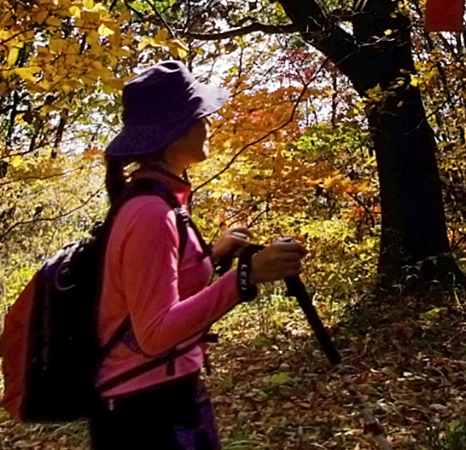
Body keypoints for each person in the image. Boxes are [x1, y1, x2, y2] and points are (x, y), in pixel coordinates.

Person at [91, 60, 307, 450]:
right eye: (200, 116)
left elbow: (162, 288)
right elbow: (154, 333)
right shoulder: (150, 214)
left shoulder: (161, 201)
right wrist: (246, 277)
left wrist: (211, 255)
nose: (209, 123)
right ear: (175, 133)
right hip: (147, 415)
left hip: (163, 395)